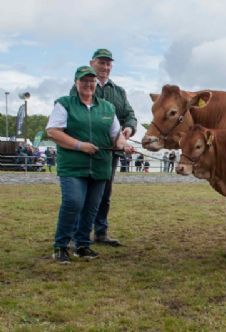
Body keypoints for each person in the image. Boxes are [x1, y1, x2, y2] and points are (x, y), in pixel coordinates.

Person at [46, 65, 134, 264]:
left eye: (91, 81)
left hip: (100, 166)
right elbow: (52, 131)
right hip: (73, 165)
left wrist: (124, 145)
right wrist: (80, 145)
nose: (88, 84)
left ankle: (82, 245)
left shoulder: (107, 108)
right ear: (76, 83)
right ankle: (61, 246)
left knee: (91, 208)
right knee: (73, 202)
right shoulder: (65, 104)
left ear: (95, 83)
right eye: (84, 80)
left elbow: (116, 135)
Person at [70, 48, 137, 246]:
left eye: (108, 64)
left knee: (104, 194)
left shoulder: (118, 92)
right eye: (101, 62)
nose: (105, 67)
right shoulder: (80, 86)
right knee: (81, 195)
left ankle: (101, 232)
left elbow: (130, 115)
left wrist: (128, 129)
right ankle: (78, 233)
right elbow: (74, 114)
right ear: (92, 63)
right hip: (84, 151)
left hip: (109, 153)